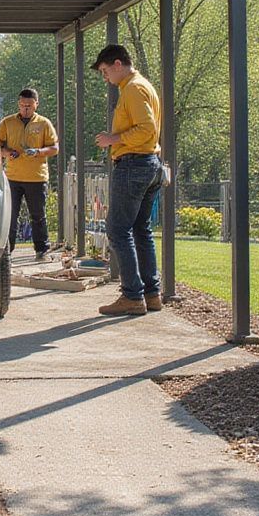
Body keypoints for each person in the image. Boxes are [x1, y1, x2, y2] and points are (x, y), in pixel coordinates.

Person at [92, 44, 162, 316]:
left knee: (118, 230)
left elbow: (146, 129)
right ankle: (151, 293)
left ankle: (132, 296)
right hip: (150, 164)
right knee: (141, 230)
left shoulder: (133, 88)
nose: (105, 77)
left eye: (105, 71)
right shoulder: (143, 85)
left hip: (133, 164)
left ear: (118, 64)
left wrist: (114, 139)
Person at [0, 88, 59, 260]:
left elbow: (54, 148)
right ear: (18, 104)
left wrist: (38, 152)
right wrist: (7, 152)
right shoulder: (7, 123)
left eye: (29, 106)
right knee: (11, 215)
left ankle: (42, 249)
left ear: (36, 104)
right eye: (23, 105)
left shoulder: (44, 123)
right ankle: (7, 250)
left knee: (38, 215)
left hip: (36, 177)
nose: (25, 109)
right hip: (13, 177)